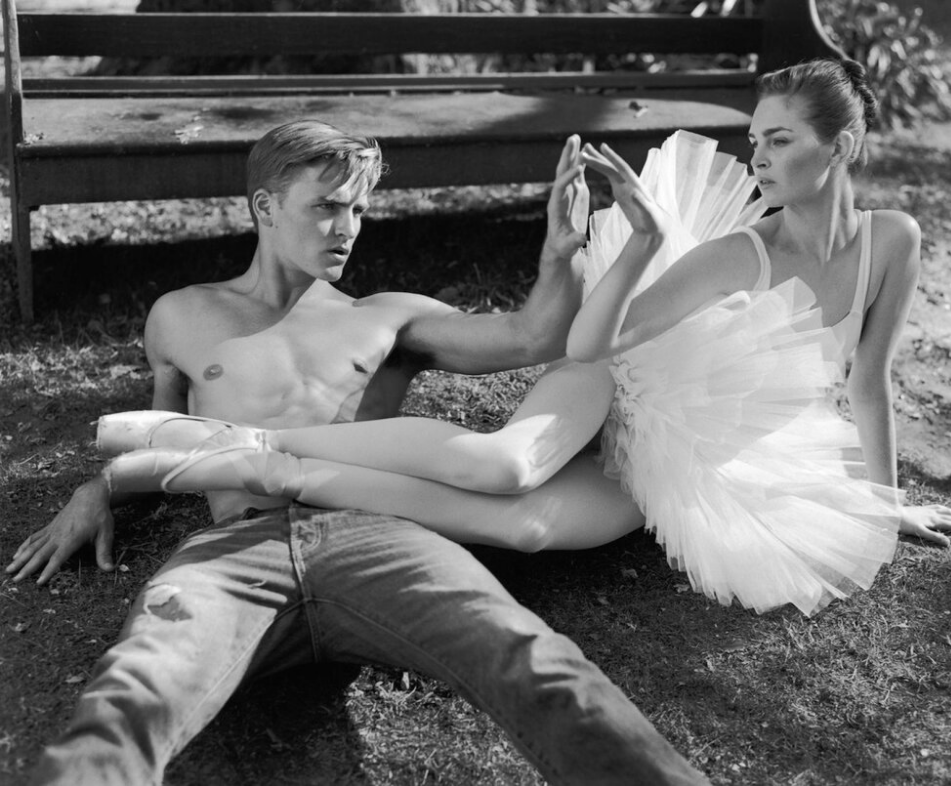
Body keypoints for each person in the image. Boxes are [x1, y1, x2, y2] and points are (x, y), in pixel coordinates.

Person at [74, 59, 951, 619]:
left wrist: (882, 504)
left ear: (843, 145)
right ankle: (258, 448)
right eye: (757, 138)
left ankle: (266, 465)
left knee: (533, 531)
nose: (757, 157)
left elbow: (869, 382)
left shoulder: (893, 242)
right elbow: (589, 344)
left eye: (778, 141)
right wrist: (644, 246)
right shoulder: (744, 252)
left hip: (692, 450)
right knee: (506, 465)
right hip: (620, 378)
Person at [6, 119, 712, 786]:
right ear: (265, 206)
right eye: (326, 207)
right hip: (231, 552)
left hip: (378, 533)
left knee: (531, 660)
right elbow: (165, 435)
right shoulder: (181, 315)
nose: (347, 228)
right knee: (133, 687)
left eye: (358, 210)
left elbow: (532, 336)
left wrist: (557, 255)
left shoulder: (386, 316)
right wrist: (99, 489)